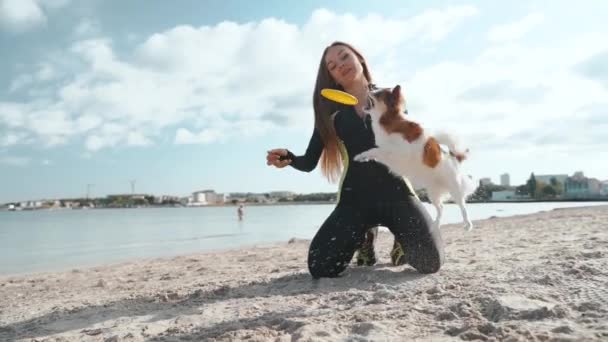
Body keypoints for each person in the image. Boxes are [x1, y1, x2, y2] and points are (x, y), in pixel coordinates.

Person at [266, 41, 444, 278]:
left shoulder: (389, 97)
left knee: (430, 262)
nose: (340, 65)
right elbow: (309, 162)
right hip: (355, 200)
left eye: (344, 57)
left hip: (397, 194)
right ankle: (364, 238)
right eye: (332, 66)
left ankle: (400, 239)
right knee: (321, 266)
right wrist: (287, 158)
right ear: (331, 77)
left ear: (359, 59)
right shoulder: (331, 114)